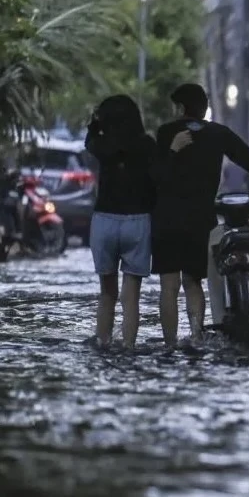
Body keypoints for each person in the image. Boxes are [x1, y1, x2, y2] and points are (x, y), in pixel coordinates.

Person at [153, 83, 249, 346]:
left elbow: (157, 175)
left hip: (167, 220)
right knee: (193, 282)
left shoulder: (166, 132)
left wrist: (172, 150)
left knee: (169, 286)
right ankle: (195, 337)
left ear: (181, 108)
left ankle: (170, 345)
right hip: (201, 220)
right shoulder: (219, 134)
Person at [85, 94, 191, 349]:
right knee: (130, 296)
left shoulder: (102, 144)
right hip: (138, 222)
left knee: (107, 292)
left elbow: (89, 140)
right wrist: (174, 150)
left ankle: (103, 341)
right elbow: (160, 176)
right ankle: (129, 346)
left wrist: (94, 122)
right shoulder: (146, 145)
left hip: (105, 221)